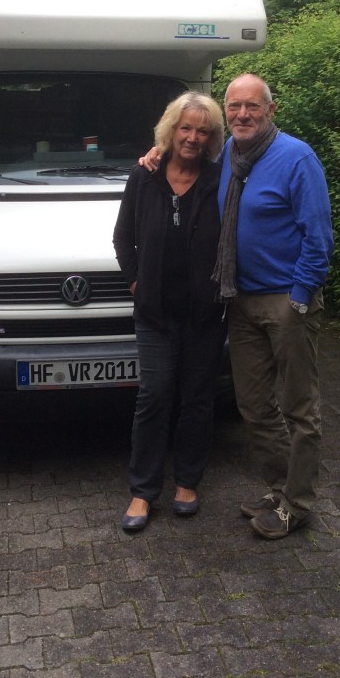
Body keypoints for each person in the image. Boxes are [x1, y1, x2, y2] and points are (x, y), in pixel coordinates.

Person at [141, 73, 333, 539]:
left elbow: (318, 236)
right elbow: (183, 155)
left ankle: (297, 504)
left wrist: (300, 296)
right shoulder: (228, 155)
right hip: (240, 298)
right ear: (226, 113)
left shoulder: (297, 158)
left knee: (299, 407)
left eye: (252, 106)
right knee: (254, 405)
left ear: (270, 110)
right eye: (234, 106)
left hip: (286, 299)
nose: (243, 114)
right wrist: (155, 154)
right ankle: (279, 488)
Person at [113, 92, 226, 532]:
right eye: (186, 128)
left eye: (202, 131)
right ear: (171, 131)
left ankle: (187, 482)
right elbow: (123, 237)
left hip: (204, 314)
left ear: (211, 138)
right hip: (155, 314)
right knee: (155, 395)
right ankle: (143, 490)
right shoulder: (144, 177)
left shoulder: (220, 180)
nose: (193, 138)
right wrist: (136, 281)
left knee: (197, 397)